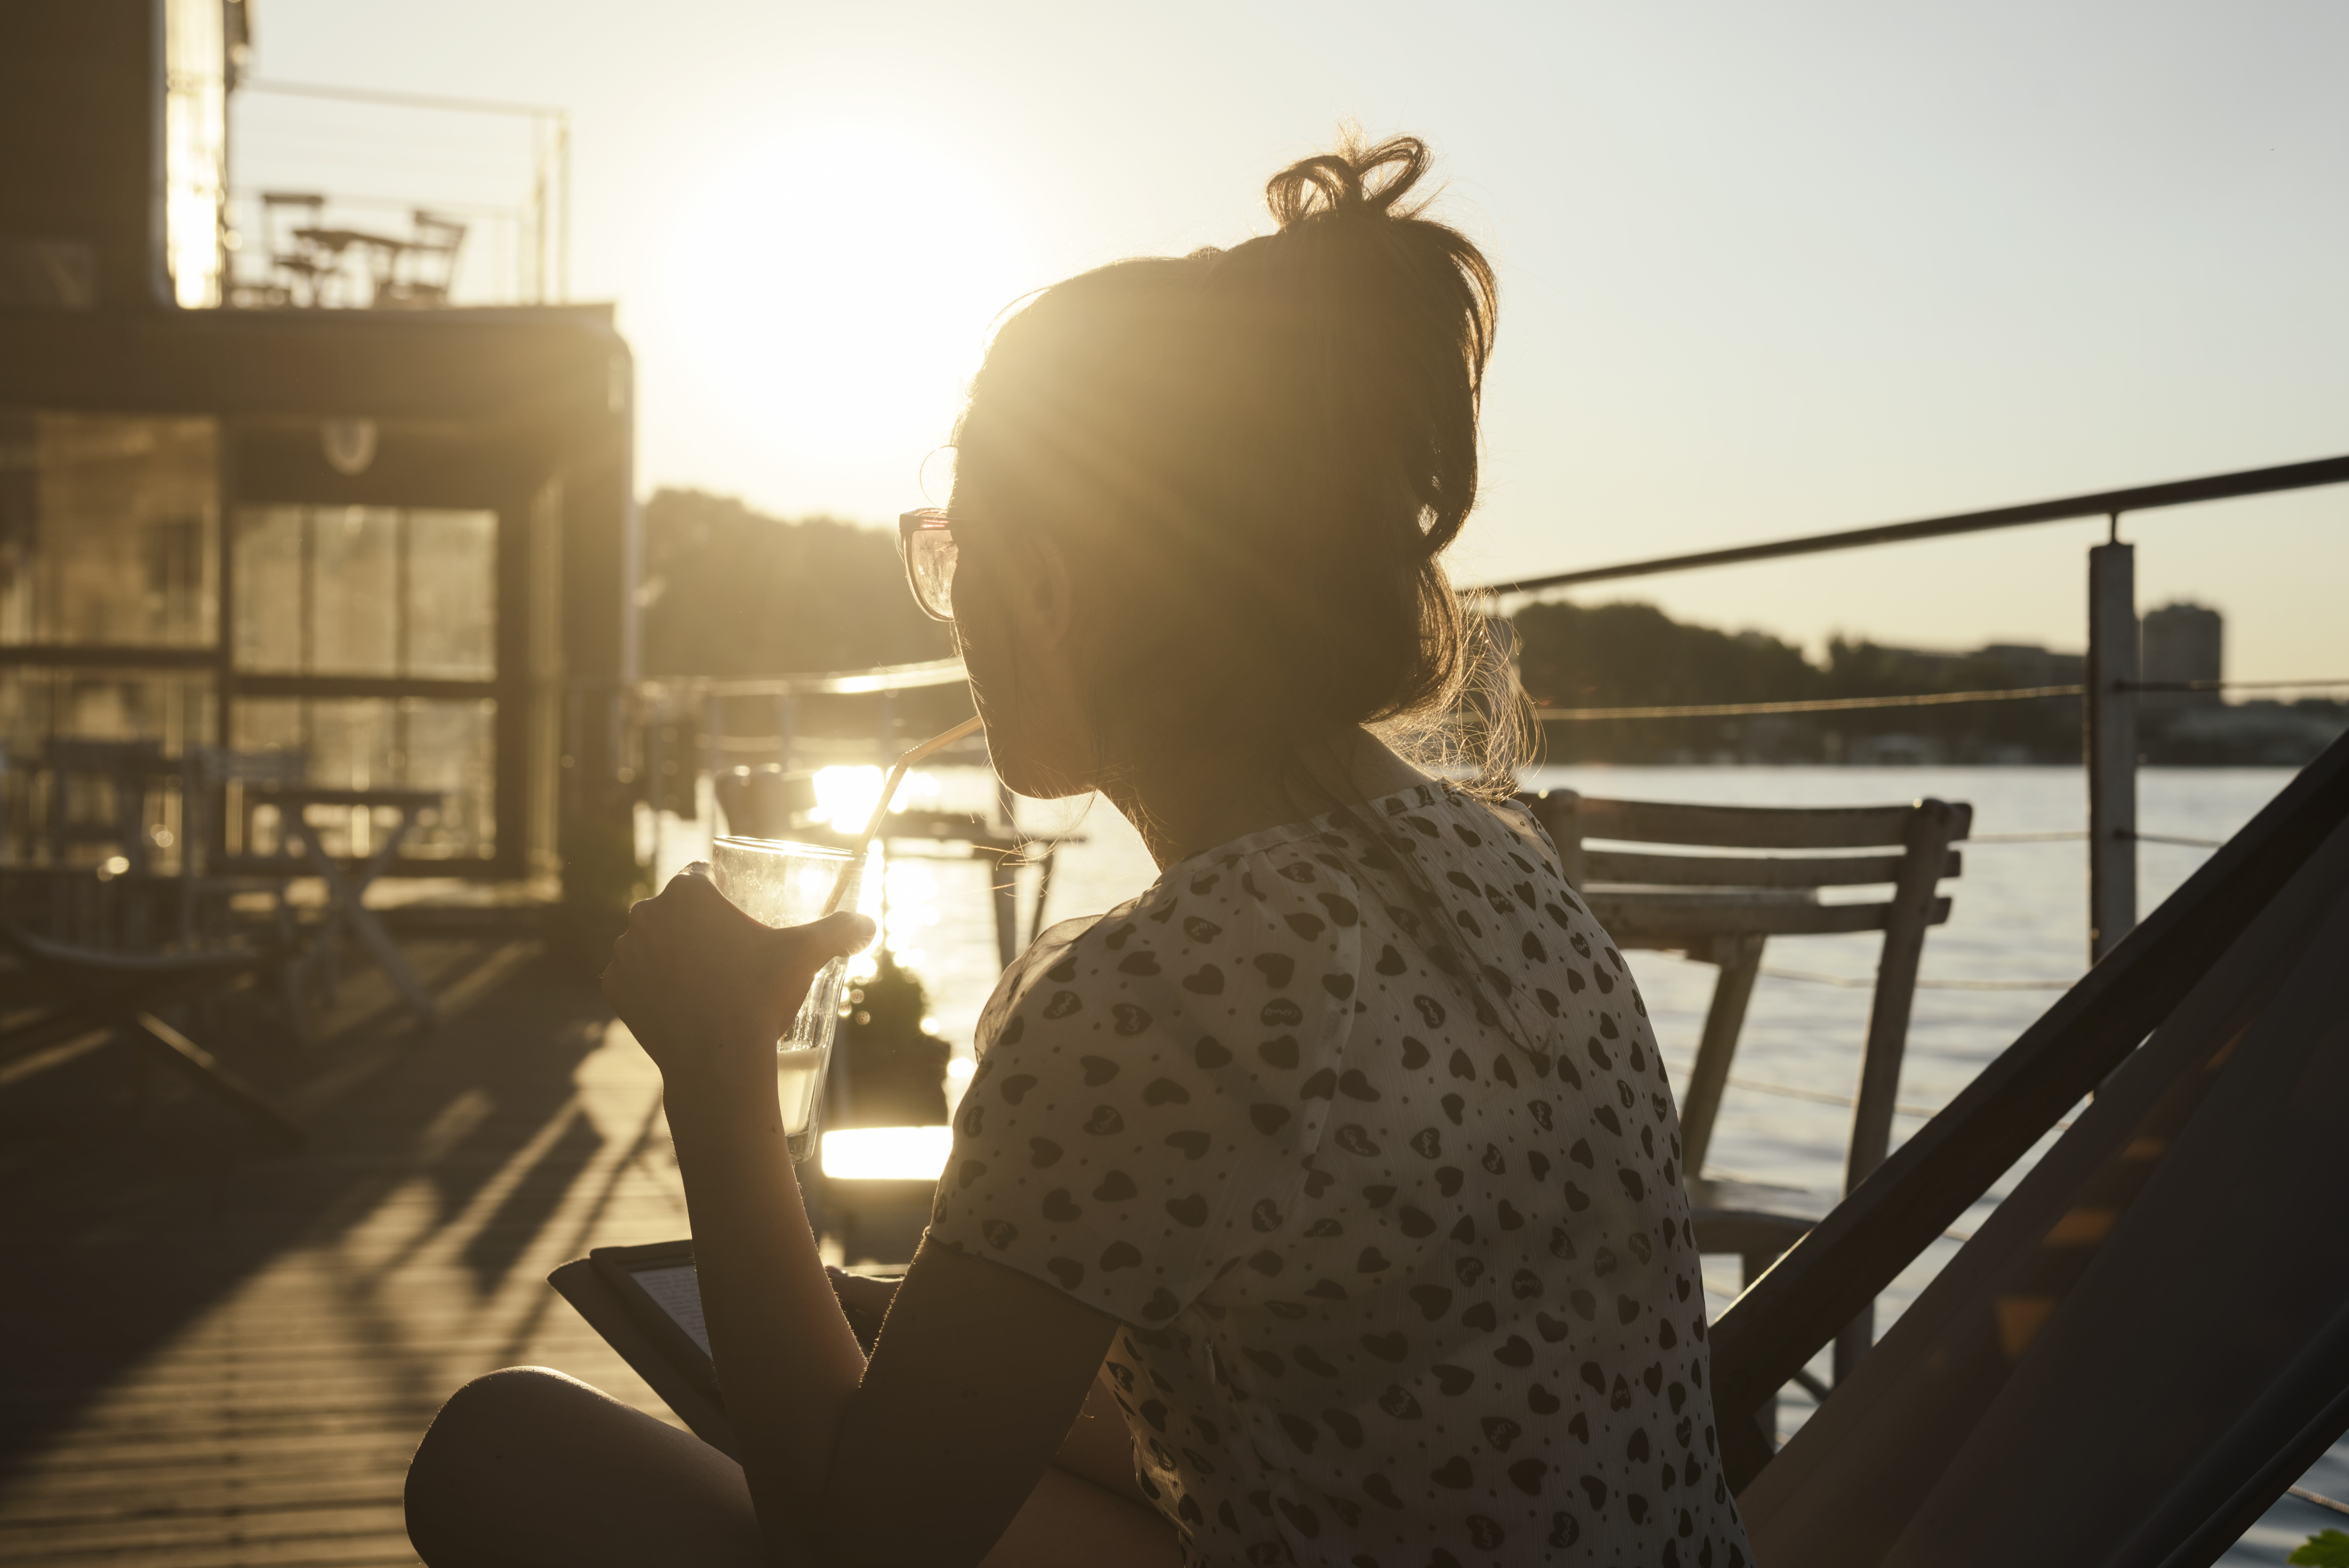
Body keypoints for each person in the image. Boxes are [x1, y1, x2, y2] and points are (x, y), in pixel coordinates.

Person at [404, 133, 1754, 1568]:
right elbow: (1376, 1382)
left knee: (509, 1450)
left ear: (1042, 585)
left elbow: (859, 1544)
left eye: (954, 554)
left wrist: (719, 1071)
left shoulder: (1158, 996)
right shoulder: (1501, 863)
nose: (951, 611)